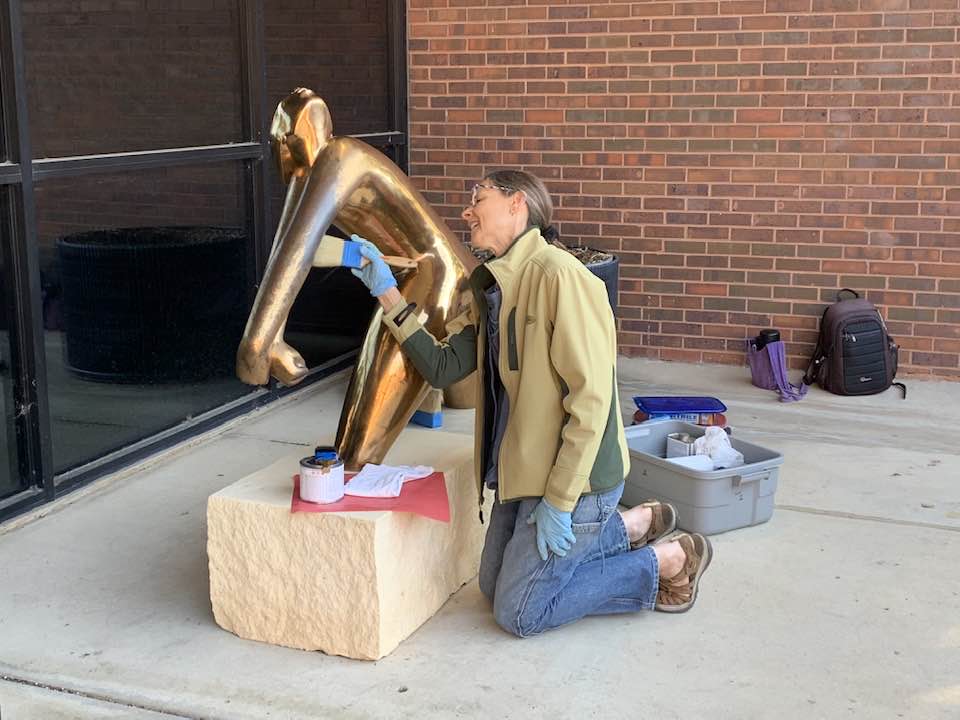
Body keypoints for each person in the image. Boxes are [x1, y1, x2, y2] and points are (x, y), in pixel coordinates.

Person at [350, 170, 713, 637]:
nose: (466, 211)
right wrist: (386, 292)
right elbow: (442, 368)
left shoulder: (563, 278)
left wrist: (561, 502)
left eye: (477, 197)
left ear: (517, 203)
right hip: (524, 476)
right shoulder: (490, 288)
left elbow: (592, 400)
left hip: (577, 482)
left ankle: (666, 559)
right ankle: (632, 525)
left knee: (520, 613)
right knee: (491, 586)